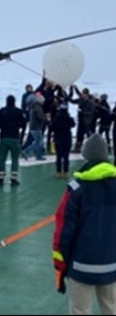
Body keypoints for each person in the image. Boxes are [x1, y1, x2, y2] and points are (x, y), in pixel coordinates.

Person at [53, 133, 116, 314]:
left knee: (80, 309)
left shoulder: (76, 189)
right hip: (112, 263)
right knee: (111, 308)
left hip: (81, 264)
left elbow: (63, 230)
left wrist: (60, 265)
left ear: (86, 155)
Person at [0, 94, 26, 187]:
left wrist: (4, 127)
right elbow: (24, 124)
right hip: (15, 138)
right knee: (15, 159)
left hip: (4, 137)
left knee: (2, 158)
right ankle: (14, 179)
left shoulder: (2, 111)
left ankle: (0, 178)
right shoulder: (18, 112)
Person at [50, 102, 76, 180]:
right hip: (67, 139)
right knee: (66, 157)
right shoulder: (69, 118)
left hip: (58, 139)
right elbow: (73, 124)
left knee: (58, 157)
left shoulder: (56, 118)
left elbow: (51, 128)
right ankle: (66, 173)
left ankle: (58, 173)